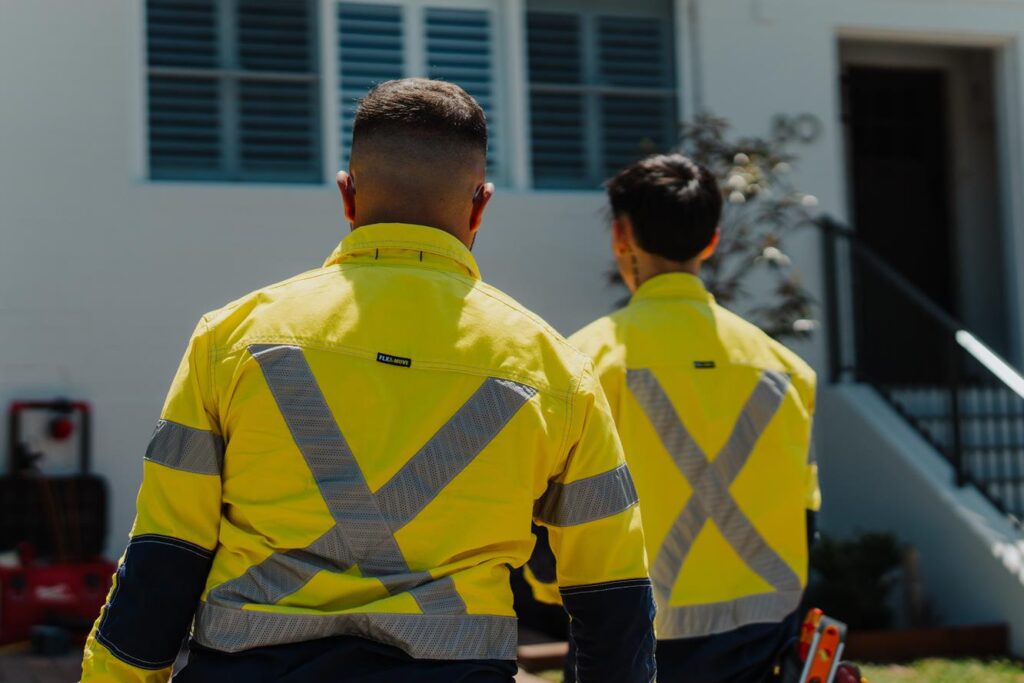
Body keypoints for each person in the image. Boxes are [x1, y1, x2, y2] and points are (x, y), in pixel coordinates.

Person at [81, 78, 656, 683]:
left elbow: (163, 560)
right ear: (480, 206)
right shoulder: (556, 371)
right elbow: (611, 595)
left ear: (347, 196)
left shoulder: (230, 340)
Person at [528, 153, 820, 682]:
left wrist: (553, 592)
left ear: (621, 235)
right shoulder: (787, 369)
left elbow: (549, 521)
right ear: (712, 239)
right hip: (760, 636)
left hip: (627, 638)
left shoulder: (583, 362)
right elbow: (805, 517)